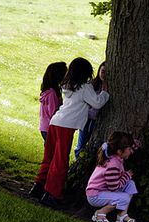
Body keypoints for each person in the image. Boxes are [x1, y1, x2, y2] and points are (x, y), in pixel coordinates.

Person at [30, 57, 110, 207]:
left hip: (55, 122)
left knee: (49, 157)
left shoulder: (67, 85)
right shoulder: (85, 87)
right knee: (60, 161)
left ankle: (38, 186)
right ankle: (52, 194)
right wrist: (105, 90)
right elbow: (97, 103)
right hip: (66, 127)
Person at [86, 132, 140, 222]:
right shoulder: (113, 165)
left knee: (130, 184)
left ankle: (122, 216)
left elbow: (128, 148)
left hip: (104, 191)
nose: (131, 151)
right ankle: (100, 213)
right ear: (119, 151)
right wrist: (126, 176)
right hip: (95, 195)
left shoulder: (116, 156)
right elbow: (114, 187)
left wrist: (134, 144)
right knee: (125, 197)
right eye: (129, 149)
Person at [74, 61, 107, 159]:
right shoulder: (92, 85)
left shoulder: (108, 87)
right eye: (103, 71)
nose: (104, 74)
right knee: (82, 143)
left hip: (99, 121)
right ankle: (78, 159)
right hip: (87, 119)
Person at [39, 62, 67, 144]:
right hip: (49, 128)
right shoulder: (52, 93)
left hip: (45, 127)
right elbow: (53, 113)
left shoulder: (48, 91)